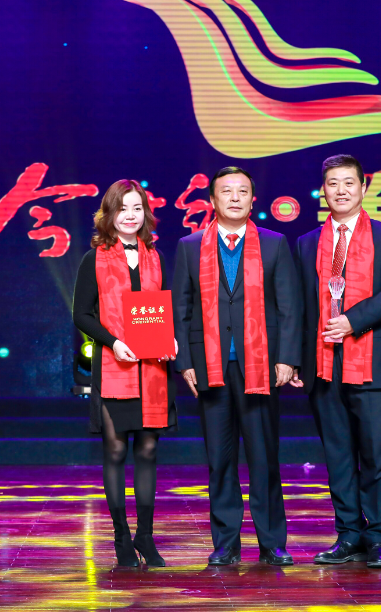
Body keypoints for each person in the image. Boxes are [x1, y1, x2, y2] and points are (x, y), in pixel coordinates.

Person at [172, 166, 303, 566]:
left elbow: (290, 305)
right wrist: (185, 362)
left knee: (264, 457)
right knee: (220, 459)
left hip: (260, 365)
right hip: (210, 365)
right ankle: (225, 543)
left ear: (252, 200)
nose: (234, 198)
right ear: (212, 200)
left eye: (242, 191)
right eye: (226, 191)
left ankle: (272, 542)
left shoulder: (274, 243)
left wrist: (287, 357)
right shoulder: (190, 246)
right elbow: (181, 308)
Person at [294, 154, 381, 569]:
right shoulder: (306, 243)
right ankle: (348, 534)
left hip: (371, 362)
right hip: (323, 363)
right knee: (339, 456)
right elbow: (298, 306)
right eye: (332, 183)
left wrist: (352, 320)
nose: (341, 190)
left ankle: (378, 538)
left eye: (348, 182)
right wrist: (294, 359)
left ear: (364, 187)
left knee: (377, 456)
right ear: (322, 190)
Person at [73, 179, 177, 568]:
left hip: (152, 369)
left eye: (136, 208)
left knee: (148, 450)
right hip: (114, 365)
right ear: (109, 214)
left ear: (145, 213)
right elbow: (81, 314)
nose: (130, 216)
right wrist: (113, 342)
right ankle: (120, 538)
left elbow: (162, 311)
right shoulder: (94, 258)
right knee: (116, 451)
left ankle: (144, 537)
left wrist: (170, 339)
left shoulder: (156, 256)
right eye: (122, 208)